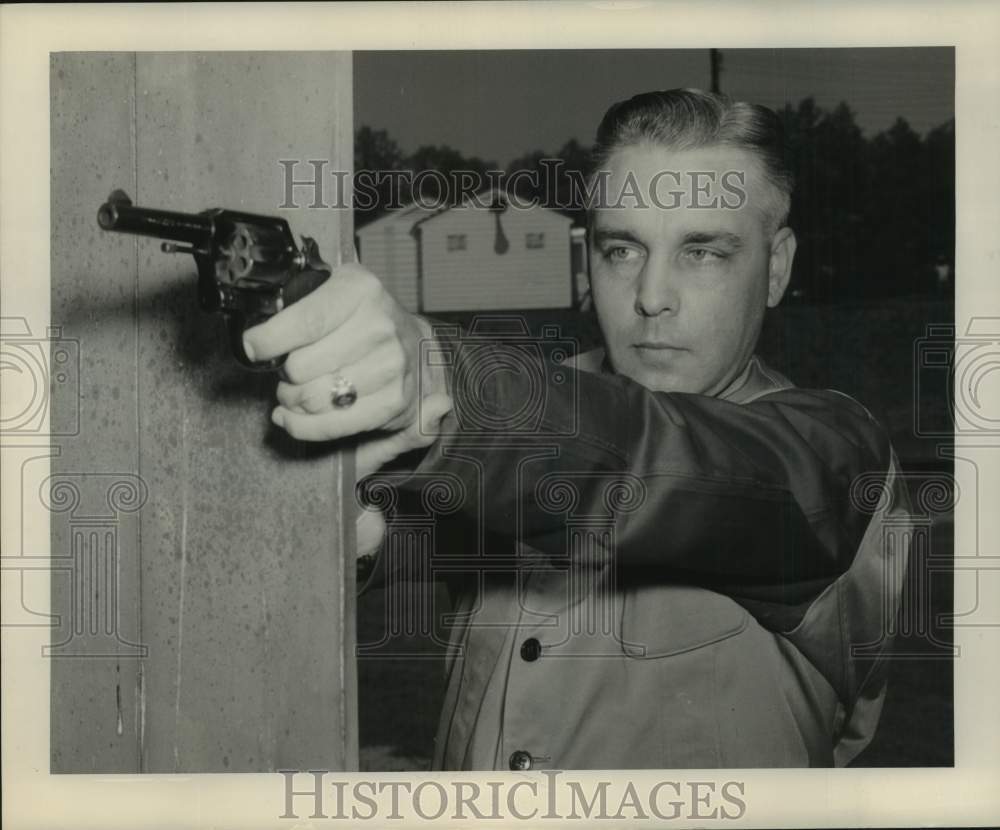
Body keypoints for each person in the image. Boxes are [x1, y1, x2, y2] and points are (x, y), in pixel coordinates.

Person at [242, 88, 912, 769]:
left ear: (776, 267)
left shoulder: (832, 457)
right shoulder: (556, 412)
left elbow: (655, 465)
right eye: (622, 250)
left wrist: (443, 376)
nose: (652, 295)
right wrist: (350, 520)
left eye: (702, 252)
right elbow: (410, 526)